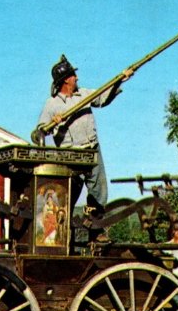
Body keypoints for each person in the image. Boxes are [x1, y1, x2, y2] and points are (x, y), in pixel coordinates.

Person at [33, 55, 130, 240]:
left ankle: (95, 228)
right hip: (70, 155)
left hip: (92, 149)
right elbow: (38, 132)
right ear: (66, 80)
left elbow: (103, 98)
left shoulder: (85, 94)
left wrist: (119, 80)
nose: (77, 78)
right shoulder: (52, 104)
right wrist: (52, 123)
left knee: (98, 190)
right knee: (66, 194)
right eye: (73, 76)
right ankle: (61, 235)